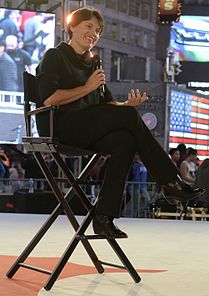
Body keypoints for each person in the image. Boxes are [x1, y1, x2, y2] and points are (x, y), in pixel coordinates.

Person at [35, 7, 204, 238]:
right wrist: (87, 88)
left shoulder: (94, 63)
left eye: (98, 31)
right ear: (72, 27)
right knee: (126, 122)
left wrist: (126, 106)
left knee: (124, 141)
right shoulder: (55, 56)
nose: (94, 33)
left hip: (88, 127)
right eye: (88, 27)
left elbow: (107, 104)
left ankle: (104, 217)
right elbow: (49, 98)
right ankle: (169, 182)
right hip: (60, 127)